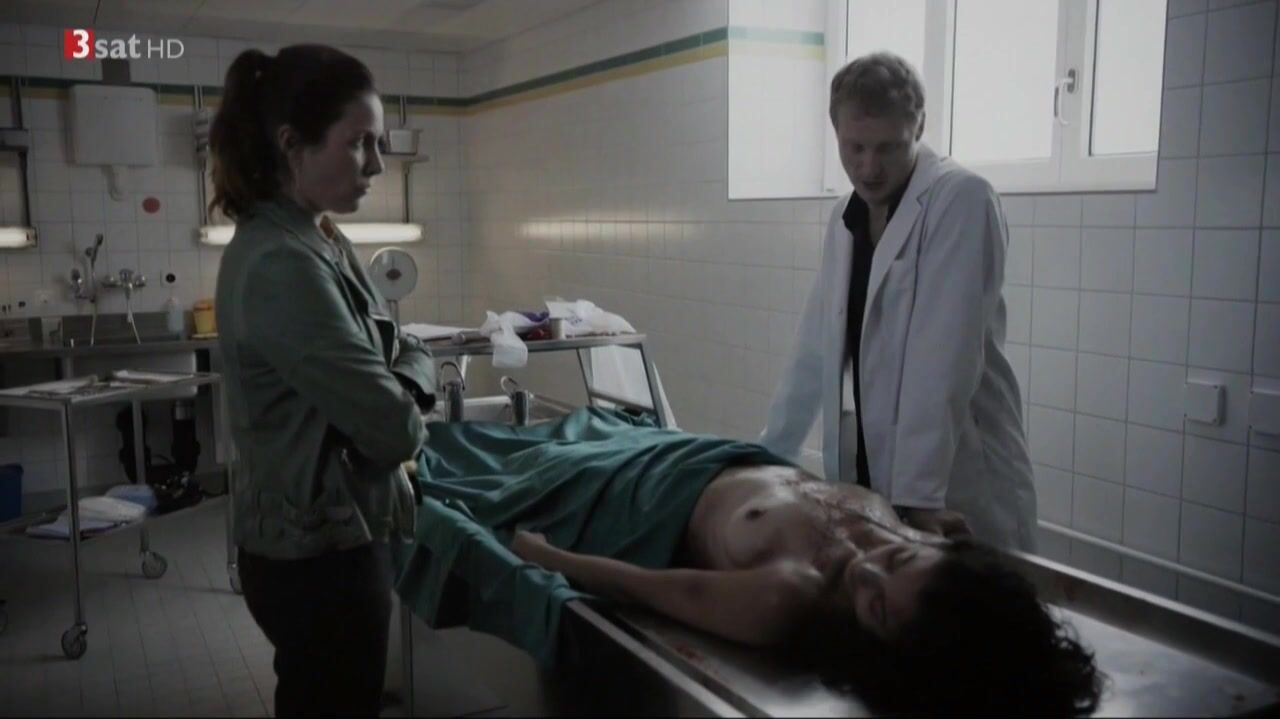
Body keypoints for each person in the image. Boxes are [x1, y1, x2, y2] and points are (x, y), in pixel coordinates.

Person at [498, 417, 1101, 715]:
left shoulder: (785, 596)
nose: (866, 569)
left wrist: (547, 556)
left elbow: (648, 588)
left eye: (874, 606)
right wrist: (925, 523)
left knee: (521, 452)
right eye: (897, 556)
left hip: (645, 492)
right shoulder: (929, 548)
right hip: (710, 452)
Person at [210, 45, 435, 717]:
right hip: (316, 556)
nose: (376, 164)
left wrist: (402, 378)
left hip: (339, 535)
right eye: (359, 142)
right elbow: (393, 429)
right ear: (292, 144)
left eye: (379, 143)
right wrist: (406, 392)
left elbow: (401, 343)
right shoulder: (282, 263)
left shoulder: (321, 236)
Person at [760, 51, 1037, 550]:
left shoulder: (961, 199)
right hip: (874, 473)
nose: (868, 168)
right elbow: (815, 348)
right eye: (854, 148)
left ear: (920, 127)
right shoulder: (845, 216)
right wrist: (768, 458)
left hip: (955, 480)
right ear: (835, 133)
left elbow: (943, 358)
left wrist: (919, 496)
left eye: (888, 148)